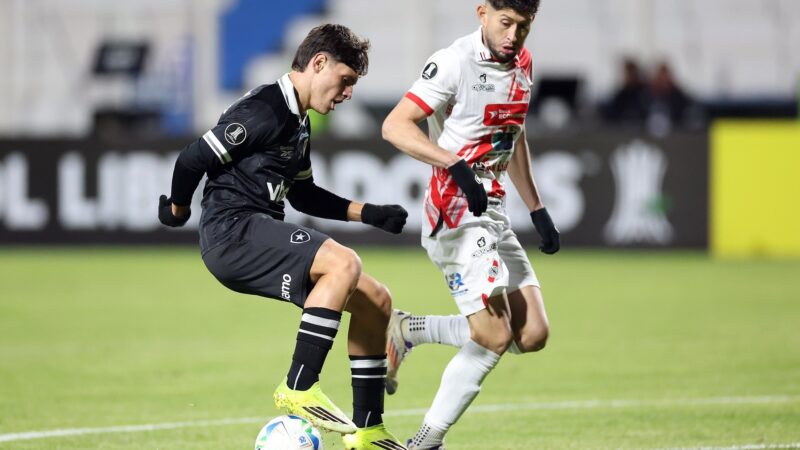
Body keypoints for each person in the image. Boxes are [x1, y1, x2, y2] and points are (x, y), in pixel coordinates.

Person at [158, 24, 408, 450]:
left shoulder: (298, 121)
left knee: (376, 302)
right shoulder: (266, 110)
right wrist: (178, 210)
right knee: (344, 262)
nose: (347, 93)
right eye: (345, 81)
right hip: (232, 232)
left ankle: (368, 432)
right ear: (318, 63)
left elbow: (304, 193)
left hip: (256, 231)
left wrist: (370, 213)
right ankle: (298, 385)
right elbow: (191, 158)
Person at [381, 1, 559, 448]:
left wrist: (536, 208)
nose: (513, 35)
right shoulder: (453, 63)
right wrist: (453, 163)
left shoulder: (524, 63)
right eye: (505, 23)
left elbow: (513, 134)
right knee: (495, 335)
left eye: (524, 26)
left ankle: (408, 329)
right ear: (481, 13)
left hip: (494, 208)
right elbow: (395, 125)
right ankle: (425, 440)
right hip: (454, 207)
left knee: (533, 333)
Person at [602, 57, 649, 124]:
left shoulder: (644, 93)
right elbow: (611, 112)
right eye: (627, 73)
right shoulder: (622, 94)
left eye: (630, 73)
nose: (628, 76)